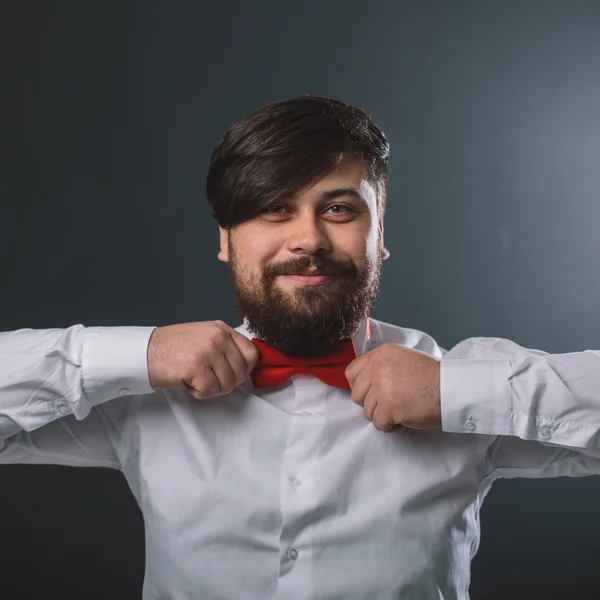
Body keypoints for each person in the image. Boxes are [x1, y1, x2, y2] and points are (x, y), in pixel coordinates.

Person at [2, 96, 600, 599]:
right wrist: (135, 355)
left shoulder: (465, 385)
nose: (308, 238)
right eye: (273, 209)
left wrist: (458, 391)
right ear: (226, 242)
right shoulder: (143, 396)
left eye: (338, 209)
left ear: (379, 237)